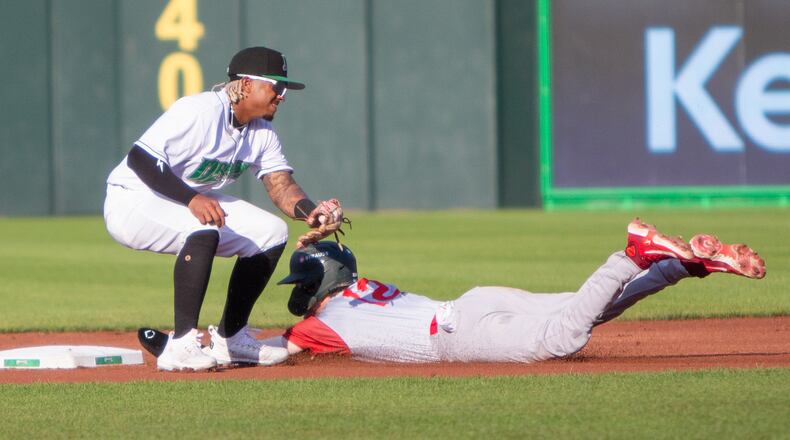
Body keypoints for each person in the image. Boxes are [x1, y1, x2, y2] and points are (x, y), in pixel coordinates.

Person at [104, 46, 346, 371]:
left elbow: (281, 185)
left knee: (270, 233)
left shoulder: (261, 132)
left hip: (181, 201)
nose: (282, 95)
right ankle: (183, 344)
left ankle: (231, 340)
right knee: (202, 225)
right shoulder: (200, 111)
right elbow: (140, 159)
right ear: (246, 84)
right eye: (277, 85)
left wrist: (310, 212)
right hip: (131, 200)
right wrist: (192, 199)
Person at [264, 219, 765, 363]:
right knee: (587, 309)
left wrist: (210, 346)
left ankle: (633, 254)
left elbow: (273, 352)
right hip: (474, 302)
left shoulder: (321, 324)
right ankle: (684, 268)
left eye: (305, 281)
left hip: (456, 336)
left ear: (321, 285)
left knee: (562, 339)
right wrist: (316, 240)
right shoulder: (364, 288)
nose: (301, 291)